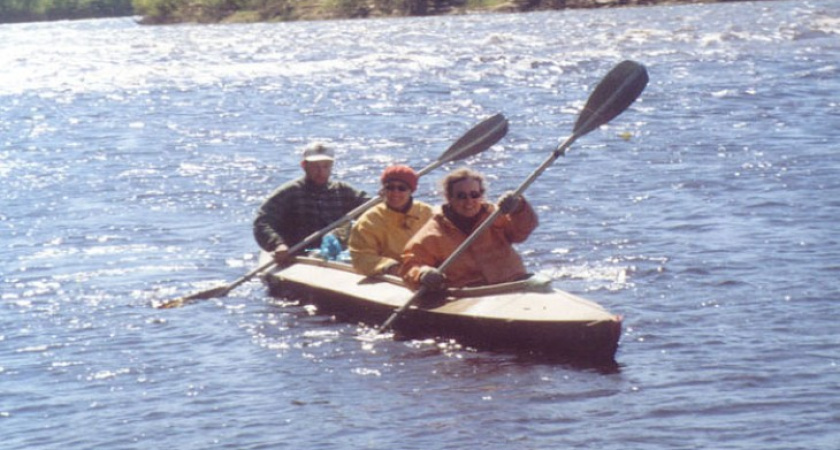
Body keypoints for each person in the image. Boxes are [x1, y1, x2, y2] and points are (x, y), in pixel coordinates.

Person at [399, 168, 538, 291]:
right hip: (469, 294)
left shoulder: (496, 216)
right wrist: (422, 274)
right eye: (461, 196)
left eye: (474, 195)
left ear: (481, 195)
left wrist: (519, 207)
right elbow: (411, 265)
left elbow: (521, 233)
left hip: (513, 284)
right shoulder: (433, 233)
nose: (469, 201)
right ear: (449, 198)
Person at [254, 142, 369, 263]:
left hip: (335, 255)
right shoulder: (289, 192)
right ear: (304, 165)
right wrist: (277, 244)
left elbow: (372, 207)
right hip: (297, 255)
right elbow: (262, 221)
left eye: (325, 166)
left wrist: (386, 196)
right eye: (315, 167)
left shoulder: (343, 190)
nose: (321, 172)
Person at [348, 165, 433, 276]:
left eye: (401, 188)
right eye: (390, 187)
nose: (395, 192)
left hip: (429, 272)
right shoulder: (368, 221)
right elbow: (361, 258)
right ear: (383, 190)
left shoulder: (428, 213)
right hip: (391, 277)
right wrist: (391, 267)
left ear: (411, 191)